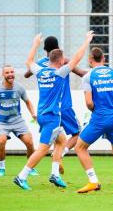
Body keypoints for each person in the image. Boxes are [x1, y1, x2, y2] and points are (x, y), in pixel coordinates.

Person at [13, 31, 94, 191]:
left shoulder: (41, 71)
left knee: (61, 141)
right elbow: (77, 58)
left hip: (41, 113)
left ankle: (55, 174)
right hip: (52, 116)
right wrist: (86, 41)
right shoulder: (59, 73)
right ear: (61, 61)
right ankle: (21, 176)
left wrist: (35, 43)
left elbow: (28, 61)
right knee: (43, 148)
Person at [24, 36, 87, 174]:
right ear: (58, 48)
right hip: (63, 106)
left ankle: (54, 171)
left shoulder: (40, 64)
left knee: (58, 138)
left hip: (47, 108)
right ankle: (60, 154)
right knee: (77, 134)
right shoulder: (64, 62)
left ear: (45, 49)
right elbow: (81, 73)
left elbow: (26, 74)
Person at [75, 47, 113, 194]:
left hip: (99, 118)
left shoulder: (88, 77)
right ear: (104, 59)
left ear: (90, 61)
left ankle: (93, 181)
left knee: (80, 147)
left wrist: (98, 112)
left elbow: (89, 103)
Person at [0, 65, 38, 177]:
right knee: (1, 141)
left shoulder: (19, 87)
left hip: (18, 121)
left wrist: (33, 114)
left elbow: (27, 101)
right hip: (3, 122)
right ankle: (1, 168)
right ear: (3, 74)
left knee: (30, 142)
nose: (10, 74)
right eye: (7, 72)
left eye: (12, 72)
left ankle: (30, 167)